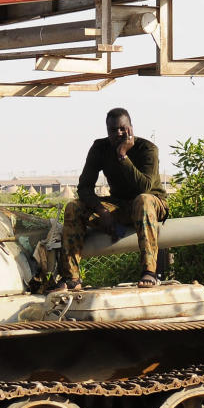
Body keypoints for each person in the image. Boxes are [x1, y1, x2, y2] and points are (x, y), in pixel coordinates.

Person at [57, 108, 167, 290]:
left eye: (123, 129)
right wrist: (102, 210)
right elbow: (84, 188)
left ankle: (149, 271)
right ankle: (72, 278)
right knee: (73, 207)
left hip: (152, 203)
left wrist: (123, 156)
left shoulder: (147, 149)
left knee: (143, 200)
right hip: (120, 205)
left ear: (131, 128)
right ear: (107, 131)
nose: (118, 134)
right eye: (113, 130)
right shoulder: (100, 148)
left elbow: (144, 188)